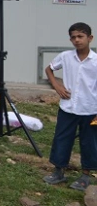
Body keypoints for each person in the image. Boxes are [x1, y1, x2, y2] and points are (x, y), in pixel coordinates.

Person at [43, 22, 97, 192]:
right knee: (62, 139)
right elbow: (49, 69)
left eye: (80, 36)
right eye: (73, 37)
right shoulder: (65, 56)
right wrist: (57, 86)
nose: (77, 40)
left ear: (90, 38)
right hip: (68, 108)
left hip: (90, 110)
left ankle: (85, 176)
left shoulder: (96, 61)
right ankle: (58, 171)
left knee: (89, 142)